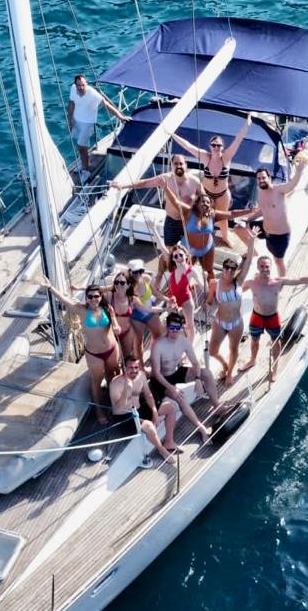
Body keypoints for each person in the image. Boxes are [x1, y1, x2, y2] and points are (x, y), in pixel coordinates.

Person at [36, 277, 119, 423]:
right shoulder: (81, 310)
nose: (94, 299)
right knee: (96, 382)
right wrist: (50, 287)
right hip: (94, 355)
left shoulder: (107, 308)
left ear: (101, 296)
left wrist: (117, 326)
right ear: (86, 298)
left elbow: (115, 289)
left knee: (113, 376)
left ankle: (115, 404)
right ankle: (99, 410)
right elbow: (63, 299)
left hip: (112, 349)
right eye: (90, 296)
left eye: (96, 296)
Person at [172, 113, 252, 242]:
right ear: (209, 146)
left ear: (223, 147)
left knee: (223, 218)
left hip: (222, 194)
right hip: (206, 193)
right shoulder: (205, 156)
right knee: (202, 215)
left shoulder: (226, 157)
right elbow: (187, 145)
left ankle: (225, 238)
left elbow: (238, 140)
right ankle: (202, 235)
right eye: (213, 145)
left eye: (218, 145)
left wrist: (247, 124)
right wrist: (171, 134)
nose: (216, 147)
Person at [242, 257, 308, 379]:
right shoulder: (251, 283)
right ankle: (252, 360)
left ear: (271, 267)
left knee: (276, 343)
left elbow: (299, 280)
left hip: (272, 318)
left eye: (267, 266)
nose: (265, 269)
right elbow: (237, 291)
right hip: (257, 316)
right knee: (254, 340)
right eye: (262, 266)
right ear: (258, 267)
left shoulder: (278, 282)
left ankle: (274, 368)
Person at [149, 311, 219, 444]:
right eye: (172, 328)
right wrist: (171, 389)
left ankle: (217, 406)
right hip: (161, 380)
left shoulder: (184, 341)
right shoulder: (158, 345)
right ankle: (202, 429)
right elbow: (156, 373)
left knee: (207, 374)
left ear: (181, 328)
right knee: (180, 397)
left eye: (178, 328)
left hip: (176, 372)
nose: (175, 331)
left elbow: (196, 363)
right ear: (168, 327)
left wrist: (198, 379)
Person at [113, 155, 200, 251]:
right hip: (171, 222)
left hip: (188, 222)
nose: (178, 166)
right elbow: (145, 183)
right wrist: (123, 185)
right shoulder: (165, 179)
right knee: (170, 251)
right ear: (171, 165)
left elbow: (205, 200)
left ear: (186, 165)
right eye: (175, 163)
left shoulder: (195, 182)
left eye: (181, 163)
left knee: (189, 251)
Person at [245, 151, 308, 275]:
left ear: (269, 178)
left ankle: (281, 281)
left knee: (278, 261)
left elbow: (292, 185)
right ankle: (253, 252)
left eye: (263, 177)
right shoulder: (260, 192)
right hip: (265, 230)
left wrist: (299, 171)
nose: (261, 180)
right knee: (239, 228)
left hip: (279, 236)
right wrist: (249, 219)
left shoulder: (278, 190)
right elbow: (263, 209)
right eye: (258, 178)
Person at [108, 357, 179, 461]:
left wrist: (154, 411)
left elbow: (148, 395)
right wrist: (125, 392)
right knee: (149, 426)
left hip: (139, 409)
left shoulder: (141, 376)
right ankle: (161, 449)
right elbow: (117, 409)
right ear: (124, 368)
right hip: (125, 416)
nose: (134, 370)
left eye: (136, 367)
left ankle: (169, 441)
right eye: (131, 368)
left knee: (170, 408)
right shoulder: (115, 383)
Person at [208, 233, 255, 383]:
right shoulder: (215, 283)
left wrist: (252, 239)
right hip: (219, 322)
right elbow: (210, 300)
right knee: (212, 351)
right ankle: (225, 365)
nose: (229, 271)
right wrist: (206, 305)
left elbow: (248, 263)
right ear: (223, 269)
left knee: (233, 349)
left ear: (235, 271)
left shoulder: (239, 282)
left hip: (235, 323)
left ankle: (230, 374)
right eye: (226, 268)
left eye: (232, 269)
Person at [66, 74, 127, 175]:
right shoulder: (73, 89)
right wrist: (69, 119)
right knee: (82, 147)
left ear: (87, 84)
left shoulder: (93, 94)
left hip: (87, 122)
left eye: (83, 85)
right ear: (75, 85)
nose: (80, 88)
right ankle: (84, 162)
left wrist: (120, 117)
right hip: (76, 120)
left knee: (81, 146)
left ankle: (86, 171)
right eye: (78, 85)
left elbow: (106, 105)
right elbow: (71, 103)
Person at [157, 245, 202, 331]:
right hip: (172, 299)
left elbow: (204, 287)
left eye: (181, 255)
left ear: (186, 255)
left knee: (190, 326)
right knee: (172, 324)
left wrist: (205, 284)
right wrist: (154, 231)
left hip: (185, 299)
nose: (179, 257)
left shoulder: (192, 270)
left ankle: (190, 343)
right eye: (176, 256)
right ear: (173, 258)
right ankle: (174, 339)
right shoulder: (173, 266)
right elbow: (162, 247)